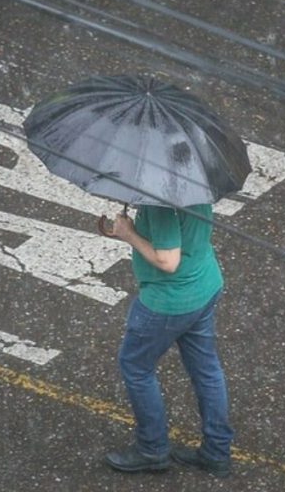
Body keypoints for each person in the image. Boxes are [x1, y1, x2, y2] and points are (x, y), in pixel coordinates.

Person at [101, 203, 234, 478]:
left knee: (136, 367)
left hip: (168, 302)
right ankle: (217, 451)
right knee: (206, 369)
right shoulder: (194, 183)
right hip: (204, 286)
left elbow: (168, 261)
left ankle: (151, 449)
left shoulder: (160, 202)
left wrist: (129, 235)